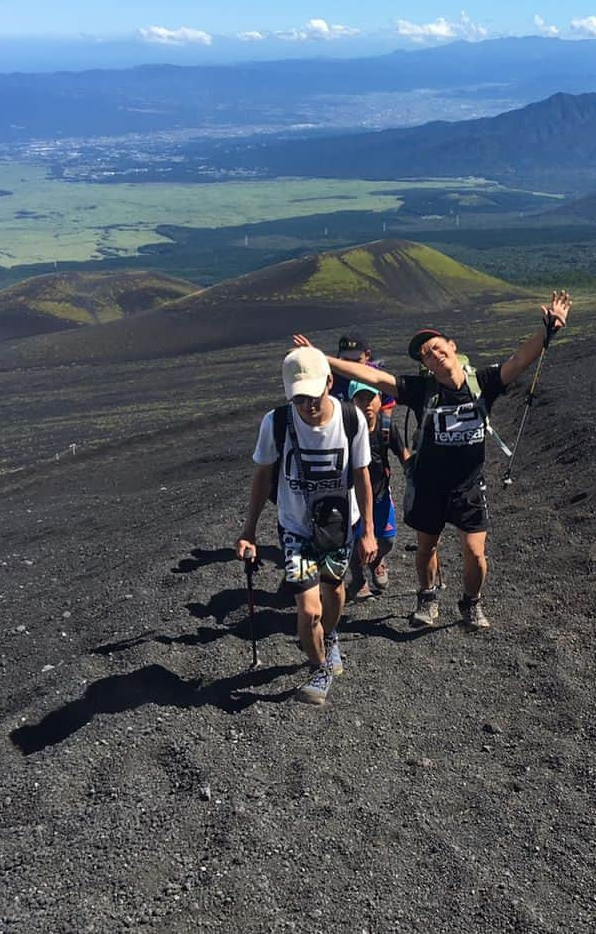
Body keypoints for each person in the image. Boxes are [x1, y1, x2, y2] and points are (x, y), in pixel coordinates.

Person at [293, 289, 572, 631]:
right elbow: (375, 377)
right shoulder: (420, 389)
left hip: (469, 486)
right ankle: (427, 597)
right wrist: (322, 360)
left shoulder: (482, 383)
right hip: (428, 485)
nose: (434, 354)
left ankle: (471, 603)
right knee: (427, 547)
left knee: (475, 554)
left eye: (438, 347)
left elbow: (519, 360)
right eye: (426, 354)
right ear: (424, 365)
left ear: (452, 347)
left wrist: (548, 330)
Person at [235, 346, 377, 705]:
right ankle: (319, 669)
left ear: (330, 383)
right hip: (295, 528)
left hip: (340, 527)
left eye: (313, 397)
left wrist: (369, 531)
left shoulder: (351, 420)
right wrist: (248, 531)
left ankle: (330, 638)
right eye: (299, 399)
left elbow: (362, 476)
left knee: (334, 591)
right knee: (309, 608)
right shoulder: (276, 423)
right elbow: (263, 475)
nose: (308, 407)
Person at [345, 378, 411, 599]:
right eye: (360, 399)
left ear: (380, 399)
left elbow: (404, 455)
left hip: (380, 494)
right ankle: (358, 580)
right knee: (354, 540)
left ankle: (376, 561)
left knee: (387, 540)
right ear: (351, 402)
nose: (366, 404)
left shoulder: (386, 427)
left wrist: (418, 477)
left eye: (370, 398)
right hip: (353, 498)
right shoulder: (346, 431)